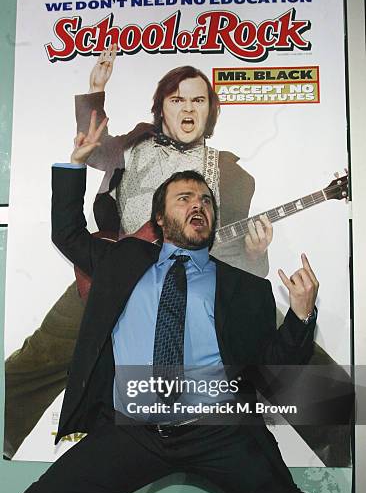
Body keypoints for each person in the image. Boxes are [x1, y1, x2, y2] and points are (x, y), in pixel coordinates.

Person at [0, 115, 365, 493]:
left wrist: (299, 317)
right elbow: (67, 232)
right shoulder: (122, 262)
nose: (199, 206)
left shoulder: (246, 290)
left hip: (220, 429)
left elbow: (272, 371)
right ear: (160, 218)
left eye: (206, 201)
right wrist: (74, 164)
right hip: (131, 429)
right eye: (185, 199)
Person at [4, 54, 273, 458]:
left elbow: (234, 255)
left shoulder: (232, 176)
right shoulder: (135, 146)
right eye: (178, 99)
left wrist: (255, 256)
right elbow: (95, 151)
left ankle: (341, 443)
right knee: (40, 354)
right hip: (117, 272)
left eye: (198, 101)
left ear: (210, 111)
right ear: (162, 107)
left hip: (188, 282)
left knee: (298, 357)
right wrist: (95, 91)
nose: (187, 108)